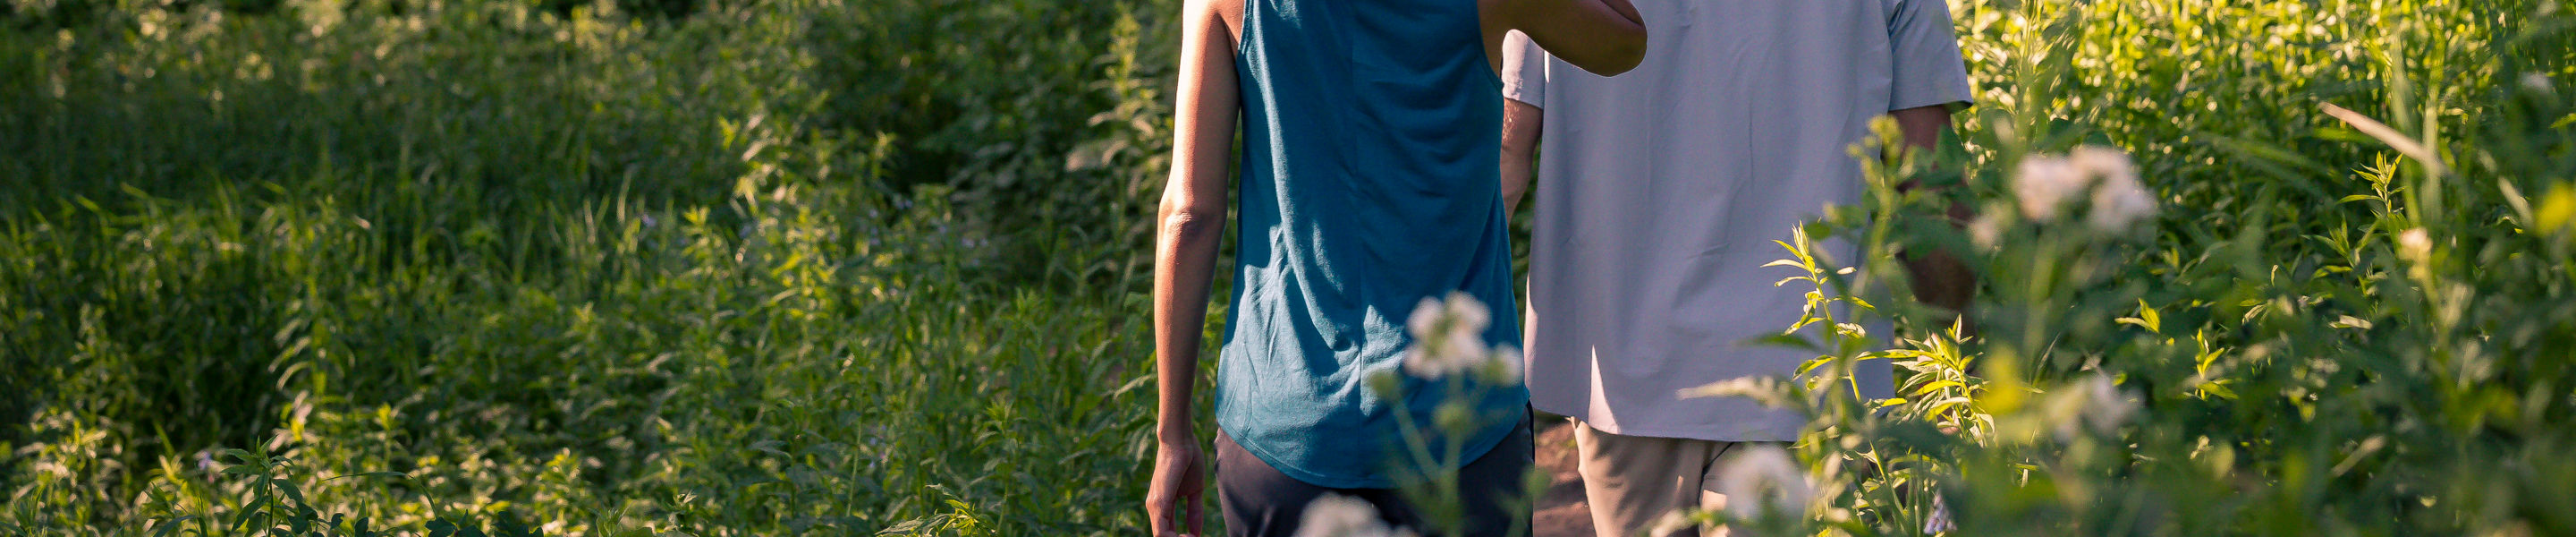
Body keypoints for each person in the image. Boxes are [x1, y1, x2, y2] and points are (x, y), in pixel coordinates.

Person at [1144, 0, 1651, 535]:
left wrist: (1172, 432)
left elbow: (1189, 214)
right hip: (1457, 421)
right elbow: (1624, 43)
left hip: (1285, 421)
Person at [1497, 1, 1977, 535]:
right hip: (1810, 371)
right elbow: (1928, 177)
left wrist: (1435, 339)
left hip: (1628, 367)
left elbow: (1506, 151)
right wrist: (1971, 362)